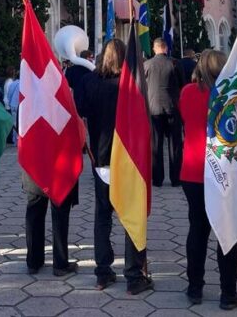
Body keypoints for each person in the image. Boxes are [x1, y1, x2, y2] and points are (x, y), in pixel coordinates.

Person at [78, 39, 153, 295]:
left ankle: (103, 272)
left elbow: (81, 108)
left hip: (101, 159)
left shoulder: (89, 82)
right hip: (127, 161)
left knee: (102, 217)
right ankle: (134, 275)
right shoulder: (129, 85)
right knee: (131, 215)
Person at [178, 49, 237, 309]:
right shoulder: (229, 97)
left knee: (198, 228)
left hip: (193, 171)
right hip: (222, 170)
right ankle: (228, 293)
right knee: (226, 231)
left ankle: (195, 287)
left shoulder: (186, 92)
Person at [143, 38, 185, 187]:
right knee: (175, 144)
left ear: (154, 49)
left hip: (153, 109)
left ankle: (157, 178)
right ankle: (176, 178)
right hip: (172, 107)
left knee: (155, 145)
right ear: (165, 48)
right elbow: (182, 85)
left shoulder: (146, 65)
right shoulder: (174, 63)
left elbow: (142, 87)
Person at [22, 172, 78, 276]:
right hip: (60, 169)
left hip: (35, 167)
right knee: (60, 214)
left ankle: (33, 262)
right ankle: (60, 264)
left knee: (34, 211)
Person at [5, 72, 21, 146]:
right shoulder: (24, 83)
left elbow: (9, 95)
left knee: (14, 123)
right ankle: (20, 140)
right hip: (20, 105)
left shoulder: (13, 84)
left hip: (13, 104)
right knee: (20, 123)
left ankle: (15, 141)